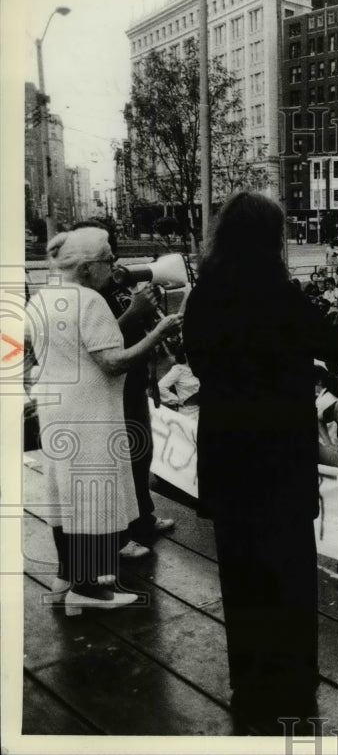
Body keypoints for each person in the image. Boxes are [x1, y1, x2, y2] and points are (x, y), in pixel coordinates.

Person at [183, 192, 338, 732]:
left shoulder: (204, 297)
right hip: (277, 457)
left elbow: (198, 362)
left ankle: (248, 675)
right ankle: (291, 680)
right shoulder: (278, 297)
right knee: (288, 570)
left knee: (240, 570)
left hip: (226, 452)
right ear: (271, 240)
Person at [27, 227, 181, 614]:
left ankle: (67, 577)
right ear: (87, 267)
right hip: (91, 411)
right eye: (107, 259)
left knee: (66, 496)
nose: (113, 266)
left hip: (56, 409)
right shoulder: (90, 302)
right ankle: (88, 590)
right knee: (93, 496)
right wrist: (159, 330)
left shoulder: (41, 298)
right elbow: (113, 362)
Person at [157, 343, 201, 418]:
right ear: (185, 355)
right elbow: (160, 387)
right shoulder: (178, 369)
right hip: (189, 413)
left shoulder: (199, 368)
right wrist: (177, 400)